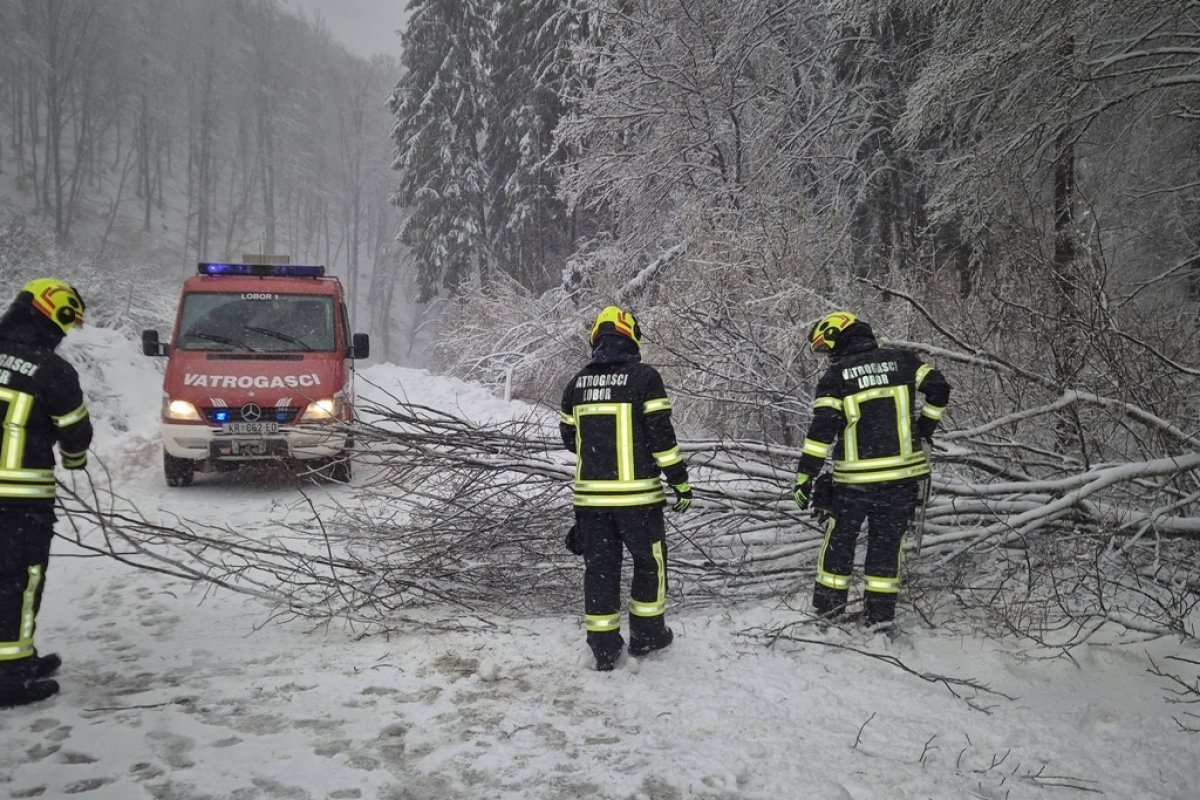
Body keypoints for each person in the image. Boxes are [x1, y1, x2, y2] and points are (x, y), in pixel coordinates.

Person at [792, 311, 950, 628]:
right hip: (902, 480)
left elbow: (821, 433)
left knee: (838, 547)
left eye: (826, 349)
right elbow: (940, 388)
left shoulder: (836, 378)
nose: (827, 357)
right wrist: (924, 429)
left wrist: (805, 476)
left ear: (839, 336)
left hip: (855, 483)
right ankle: (879, 620)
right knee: (885, 549)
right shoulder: (903, 361)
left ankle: (828, 615)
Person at [560, 306, 692, 671]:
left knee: (600, 570)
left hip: (590, 502)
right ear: (630, 335)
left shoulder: (576, 384)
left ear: (596, 338)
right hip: (639, 501)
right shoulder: (645, 378)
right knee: (650, 565)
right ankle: (647, 636)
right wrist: (680, 482)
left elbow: (571, 440)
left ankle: (603, 649)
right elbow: (662, 440)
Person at [0, 278, 92, 707]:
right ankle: (10, 676)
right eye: (66, 320)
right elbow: (75, 433)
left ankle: (20, 659)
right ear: (50, 314)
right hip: (18, 503)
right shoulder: (51, 370)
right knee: (18, 581)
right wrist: (75, 463)